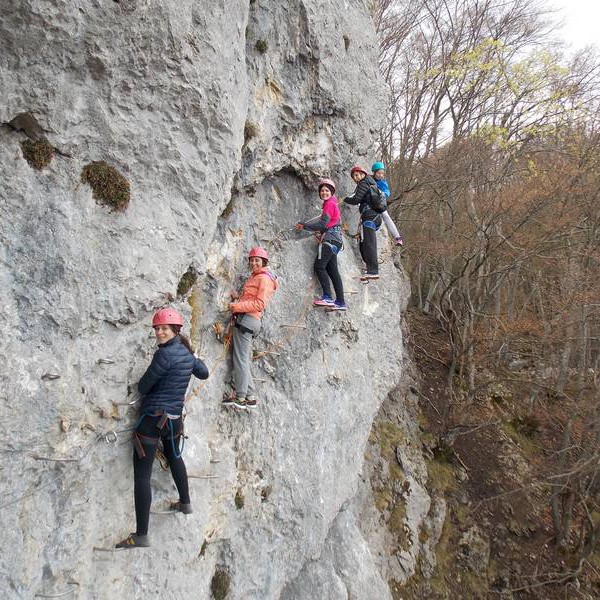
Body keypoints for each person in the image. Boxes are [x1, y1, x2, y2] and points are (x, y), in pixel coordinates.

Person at [116, 308, 209, 549]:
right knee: (174, 456)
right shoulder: (187, 355)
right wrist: (193, 358)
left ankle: (141, 535)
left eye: (163, 328)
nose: (159, 332)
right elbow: (204, 373)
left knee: (142, 475)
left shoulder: (164, 356)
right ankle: (185, 503)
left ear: (175, 330)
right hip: (174, 421)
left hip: (152, 420)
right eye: (157, 329)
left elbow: (144, 386)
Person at [223, 247, 278, 410]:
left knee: (240, 359)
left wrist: (236, 306)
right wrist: (237, 299)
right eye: (252, 260)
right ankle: (250, 396)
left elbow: (260, 304)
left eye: (257, 260)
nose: (253, 263)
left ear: (263, 262)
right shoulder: (258, 277)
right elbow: (251, 298)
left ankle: (240, 396)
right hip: (249, 320)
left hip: (247, 320)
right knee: (244, 359)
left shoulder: (264, 279)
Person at [294, 178, 347, 311]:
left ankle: (328, 297)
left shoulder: (329, 204)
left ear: (332, 192)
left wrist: (305, 226)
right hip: (336, 240)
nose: (324, 193)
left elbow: (323, 223)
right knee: (333, 271)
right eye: (322, 190)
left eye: (327, 190)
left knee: (319, 266)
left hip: (330, 239)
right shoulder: (332, 204)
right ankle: (340, 302)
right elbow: (327, 224)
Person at [343, 165, 382, 281]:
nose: (356, 178)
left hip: (370, 216)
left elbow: (356, 199)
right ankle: (368, 270)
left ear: (363, 174)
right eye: (354, 176)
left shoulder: (364, 183)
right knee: (363, 243)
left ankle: (373, 271)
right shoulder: (370, 183)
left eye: (357, 174)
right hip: (371, 216)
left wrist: (345, 199)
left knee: (369, 243)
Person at [372, 161, 403, 246]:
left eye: (382, 173)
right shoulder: (369, 179)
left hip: (379, 203)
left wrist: (381, 193)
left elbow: (387, 192)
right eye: (378, 173)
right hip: (370, 203)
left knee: (385, 216)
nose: (380, 175)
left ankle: (398, 237)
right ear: (374, 172)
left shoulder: (382, 182)